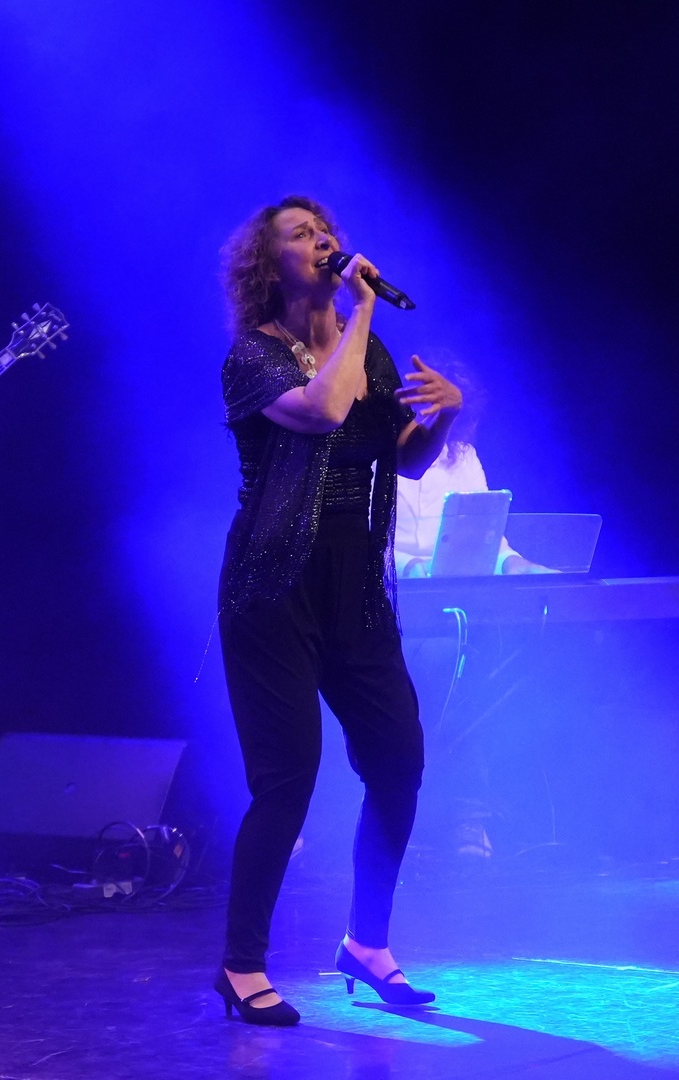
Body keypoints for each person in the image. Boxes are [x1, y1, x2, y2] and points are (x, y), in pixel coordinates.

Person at [213, 195, 463, 1025]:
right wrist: (359, 313)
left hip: (353, 583)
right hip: (271, 587)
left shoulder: (367, 349)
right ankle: (241, 965)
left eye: (327, 231)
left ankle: (367, 942)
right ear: (268, 264)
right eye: (301, 234)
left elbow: (403, 461)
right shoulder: (254, 355)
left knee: (398, 760)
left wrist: (445, 416)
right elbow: (322, 413)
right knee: (287, 778)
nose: (323, 240)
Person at [394, 355, 548, 578]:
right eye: (423, 403)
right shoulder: (377, 455)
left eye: (439, 407)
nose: (428, 413)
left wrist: (511, 561)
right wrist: (409, 566)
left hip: (448, 583)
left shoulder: (464, 457)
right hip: (385, 583)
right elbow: (362, 536)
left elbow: (482, 532)